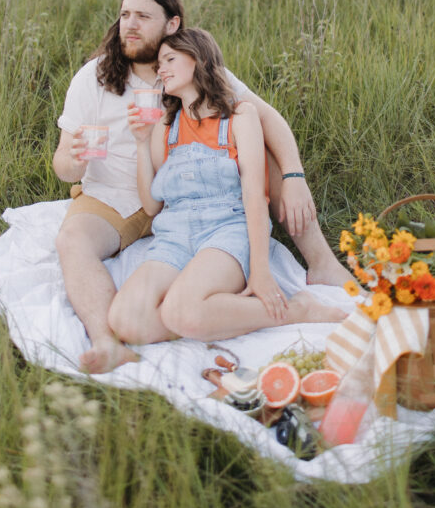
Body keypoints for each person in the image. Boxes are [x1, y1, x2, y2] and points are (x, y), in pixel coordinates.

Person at [53, 0, 349, 372]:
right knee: (72, 239)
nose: (130, 25)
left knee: (261, 151)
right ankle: (108, 342)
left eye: (143, 16)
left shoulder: (185, 68)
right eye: (125, 15)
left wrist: (294, 176)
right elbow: (62, 163)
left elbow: (266, 118)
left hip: (195, 202)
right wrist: (75, 162)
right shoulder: (94, 77)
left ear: (172, 25)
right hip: (118, 196)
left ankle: (321, 262)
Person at [108, 29, 346, 345]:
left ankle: (296, 310)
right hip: (174, 236)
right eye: (159, 63)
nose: (161, 69)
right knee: (125, 320)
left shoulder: (239, 116)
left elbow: (254, 197)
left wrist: (260, 270)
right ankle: (209, 315)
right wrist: (140, 144)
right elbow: (153, 207)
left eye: (170, 59)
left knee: (181, 311)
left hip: (225, 232)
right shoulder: (165, 126)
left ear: (198, 60)